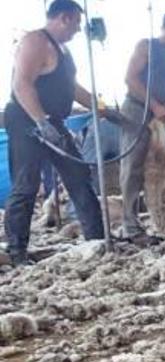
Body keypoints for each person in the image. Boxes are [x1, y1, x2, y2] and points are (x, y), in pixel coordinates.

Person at [4, 0, 104, 266]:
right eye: (77, 24)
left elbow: (72, 87)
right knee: (26, 185)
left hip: (54, 121)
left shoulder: (63, 49)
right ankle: (17, 252)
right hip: (27, 121)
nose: (78, 30)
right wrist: (41, 122)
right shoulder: (35, 41)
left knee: (79, 176)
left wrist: (101, 106)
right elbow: (21, 84)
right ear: (64, 18)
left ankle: (98, 240)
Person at [119, 10, 165, 246]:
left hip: (159, 112)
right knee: (133, 165)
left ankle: (159, 218)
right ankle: (129, 225)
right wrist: (156, 106)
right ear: (163, 28)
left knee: (158, 164)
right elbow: (130, 79)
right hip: (138, 108)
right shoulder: (146, 46)